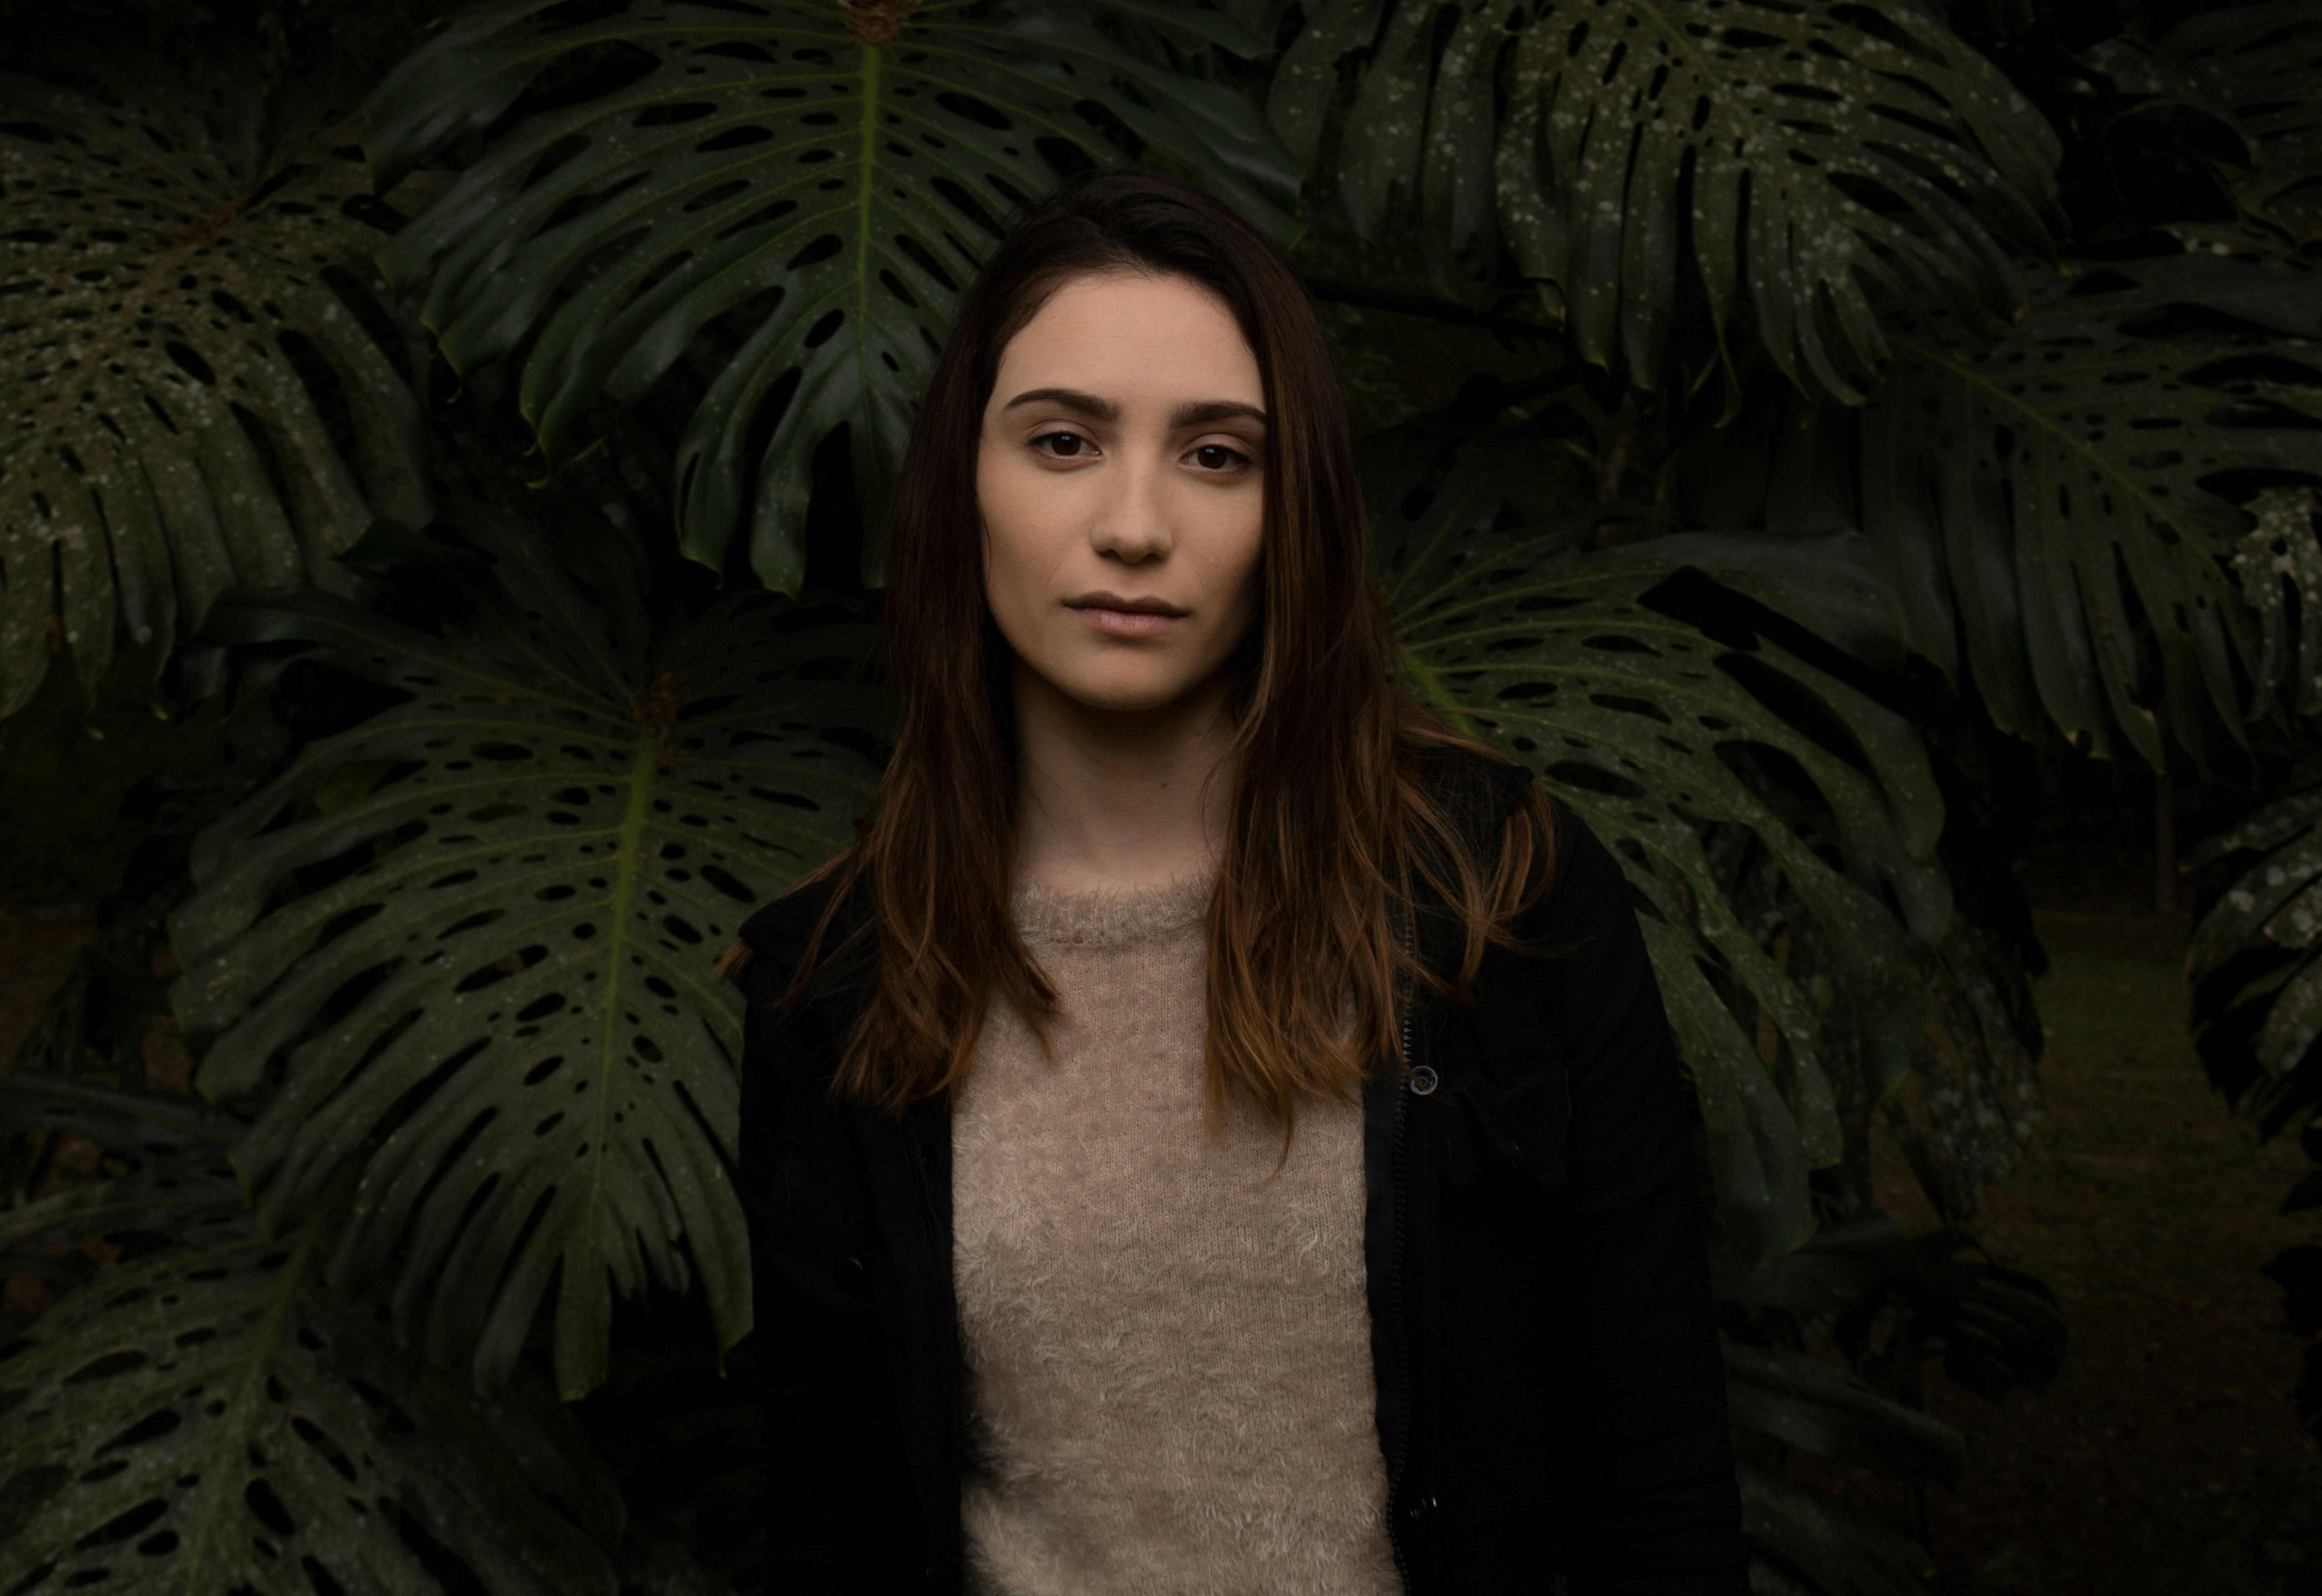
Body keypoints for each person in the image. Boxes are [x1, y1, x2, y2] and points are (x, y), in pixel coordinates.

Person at [718, 168, 1745, 1596]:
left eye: (1216, 456)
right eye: (1063, 440)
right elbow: (832, 1531)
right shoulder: (834, 979)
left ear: (1294, 511)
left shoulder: (1495, 895)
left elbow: (1656, 1479)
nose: (1133, 524)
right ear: (966, 486)